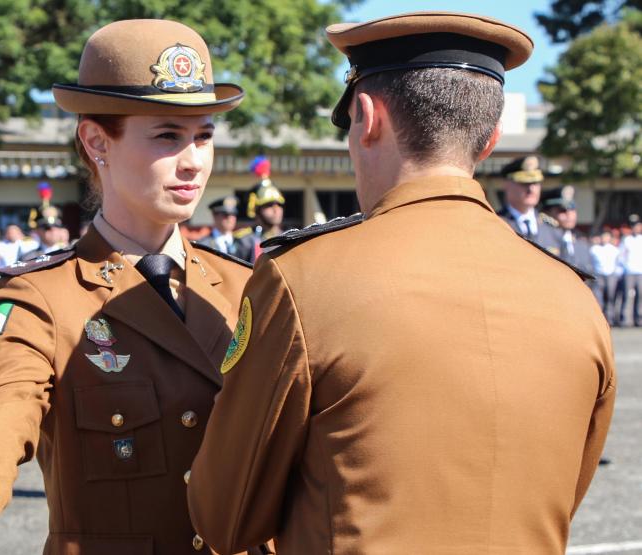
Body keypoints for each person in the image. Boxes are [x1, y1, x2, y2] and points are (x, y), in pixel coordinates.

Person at [188, 12, 616, 554]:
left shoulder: (304, 279)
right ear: (489, 142)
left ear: (366, 117)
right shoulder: (573, 295)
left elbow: (226, 516)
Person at [0, 19, 260, 554]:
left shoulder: (244, 286)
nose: (193, 161)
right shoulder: (43, 299)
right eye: (167, 135)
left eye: (203, 136)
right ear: (96, 140)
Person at [497, 155, 562, 253]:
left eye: (535, 183)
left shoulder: (551, 228)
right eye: (524, 183)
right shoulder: (496, 223)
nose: (531, 189)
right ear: (507, 184)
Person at [544, 185, 594, 277]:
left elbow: (593, 280)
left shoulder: (582, 244)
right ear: (548, 212)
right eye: (562, 210)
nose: (569, 214)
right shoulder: (542, 241)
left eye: (572, 209)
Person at [198, 196, 254, 261]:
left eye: (233, 214)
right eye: (226, 214)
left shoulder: (244, 243)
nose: (230, 218)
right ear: (214, 215)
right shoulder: (203, 244)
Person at [591, 229, 621, 325]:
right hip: (598, 275)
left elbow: (618, 263)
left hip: (611, 275)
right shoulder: (594, 249)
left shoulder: (615, 250)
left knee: (610, 297)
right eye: (603, 237)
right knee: (598, 298)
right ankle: (600, 318)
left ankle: (610, 318)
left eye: (607, 237)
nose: (605, 239)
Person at [619, 220, 642, 326]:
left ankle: (639, 318)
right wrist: (625, 267)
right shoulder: (627, 239)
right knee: (627, 295)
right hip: (629, 271)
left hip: (640, 271)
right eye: (635, 226)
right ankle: (625, 319)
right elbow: (621, 255)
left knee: (640, 296)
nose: (637, 228)